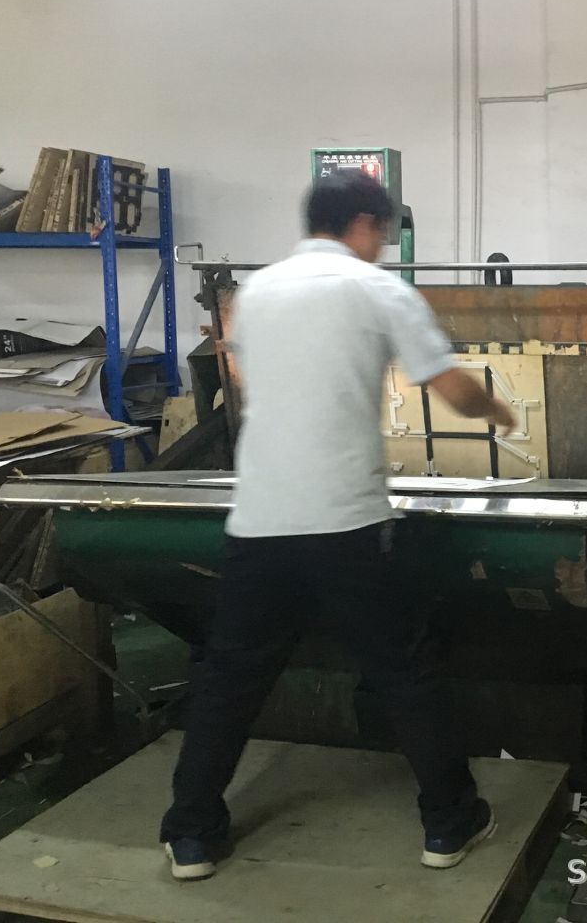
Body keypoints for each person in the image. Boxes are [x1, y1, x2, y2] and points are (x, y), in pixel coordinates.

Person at [159, 170, 516, 881]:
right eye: (381, 232)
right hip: (346, 523)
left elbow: (248, 382)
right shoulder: (378, 289)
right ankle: (449, 824)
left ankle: (192, 836)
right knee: (402, 672)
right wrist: (498, 413)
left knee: (229, 680)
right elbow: (448, 385)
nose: (381, 245)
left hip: (261, 520)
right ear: (363, 224)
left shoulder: (256, 293)